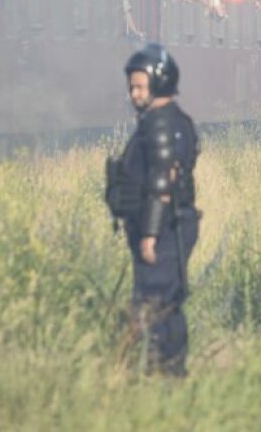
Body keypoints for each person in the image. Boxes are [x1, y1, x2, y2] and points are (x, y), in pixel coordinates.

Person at [105, 44, 200, 376]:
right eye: (131, 87)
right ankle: (172, 372)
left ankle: (160, 372)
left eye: (139, 87)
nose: (133, 94)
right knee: (167, 303)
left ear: (159, 84)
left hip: (162, 228)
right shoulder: (171, 121)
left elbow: (163, 183)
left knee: (153, 303)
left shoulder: (159, 126)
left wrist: (149, 234)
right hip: (170, 224)